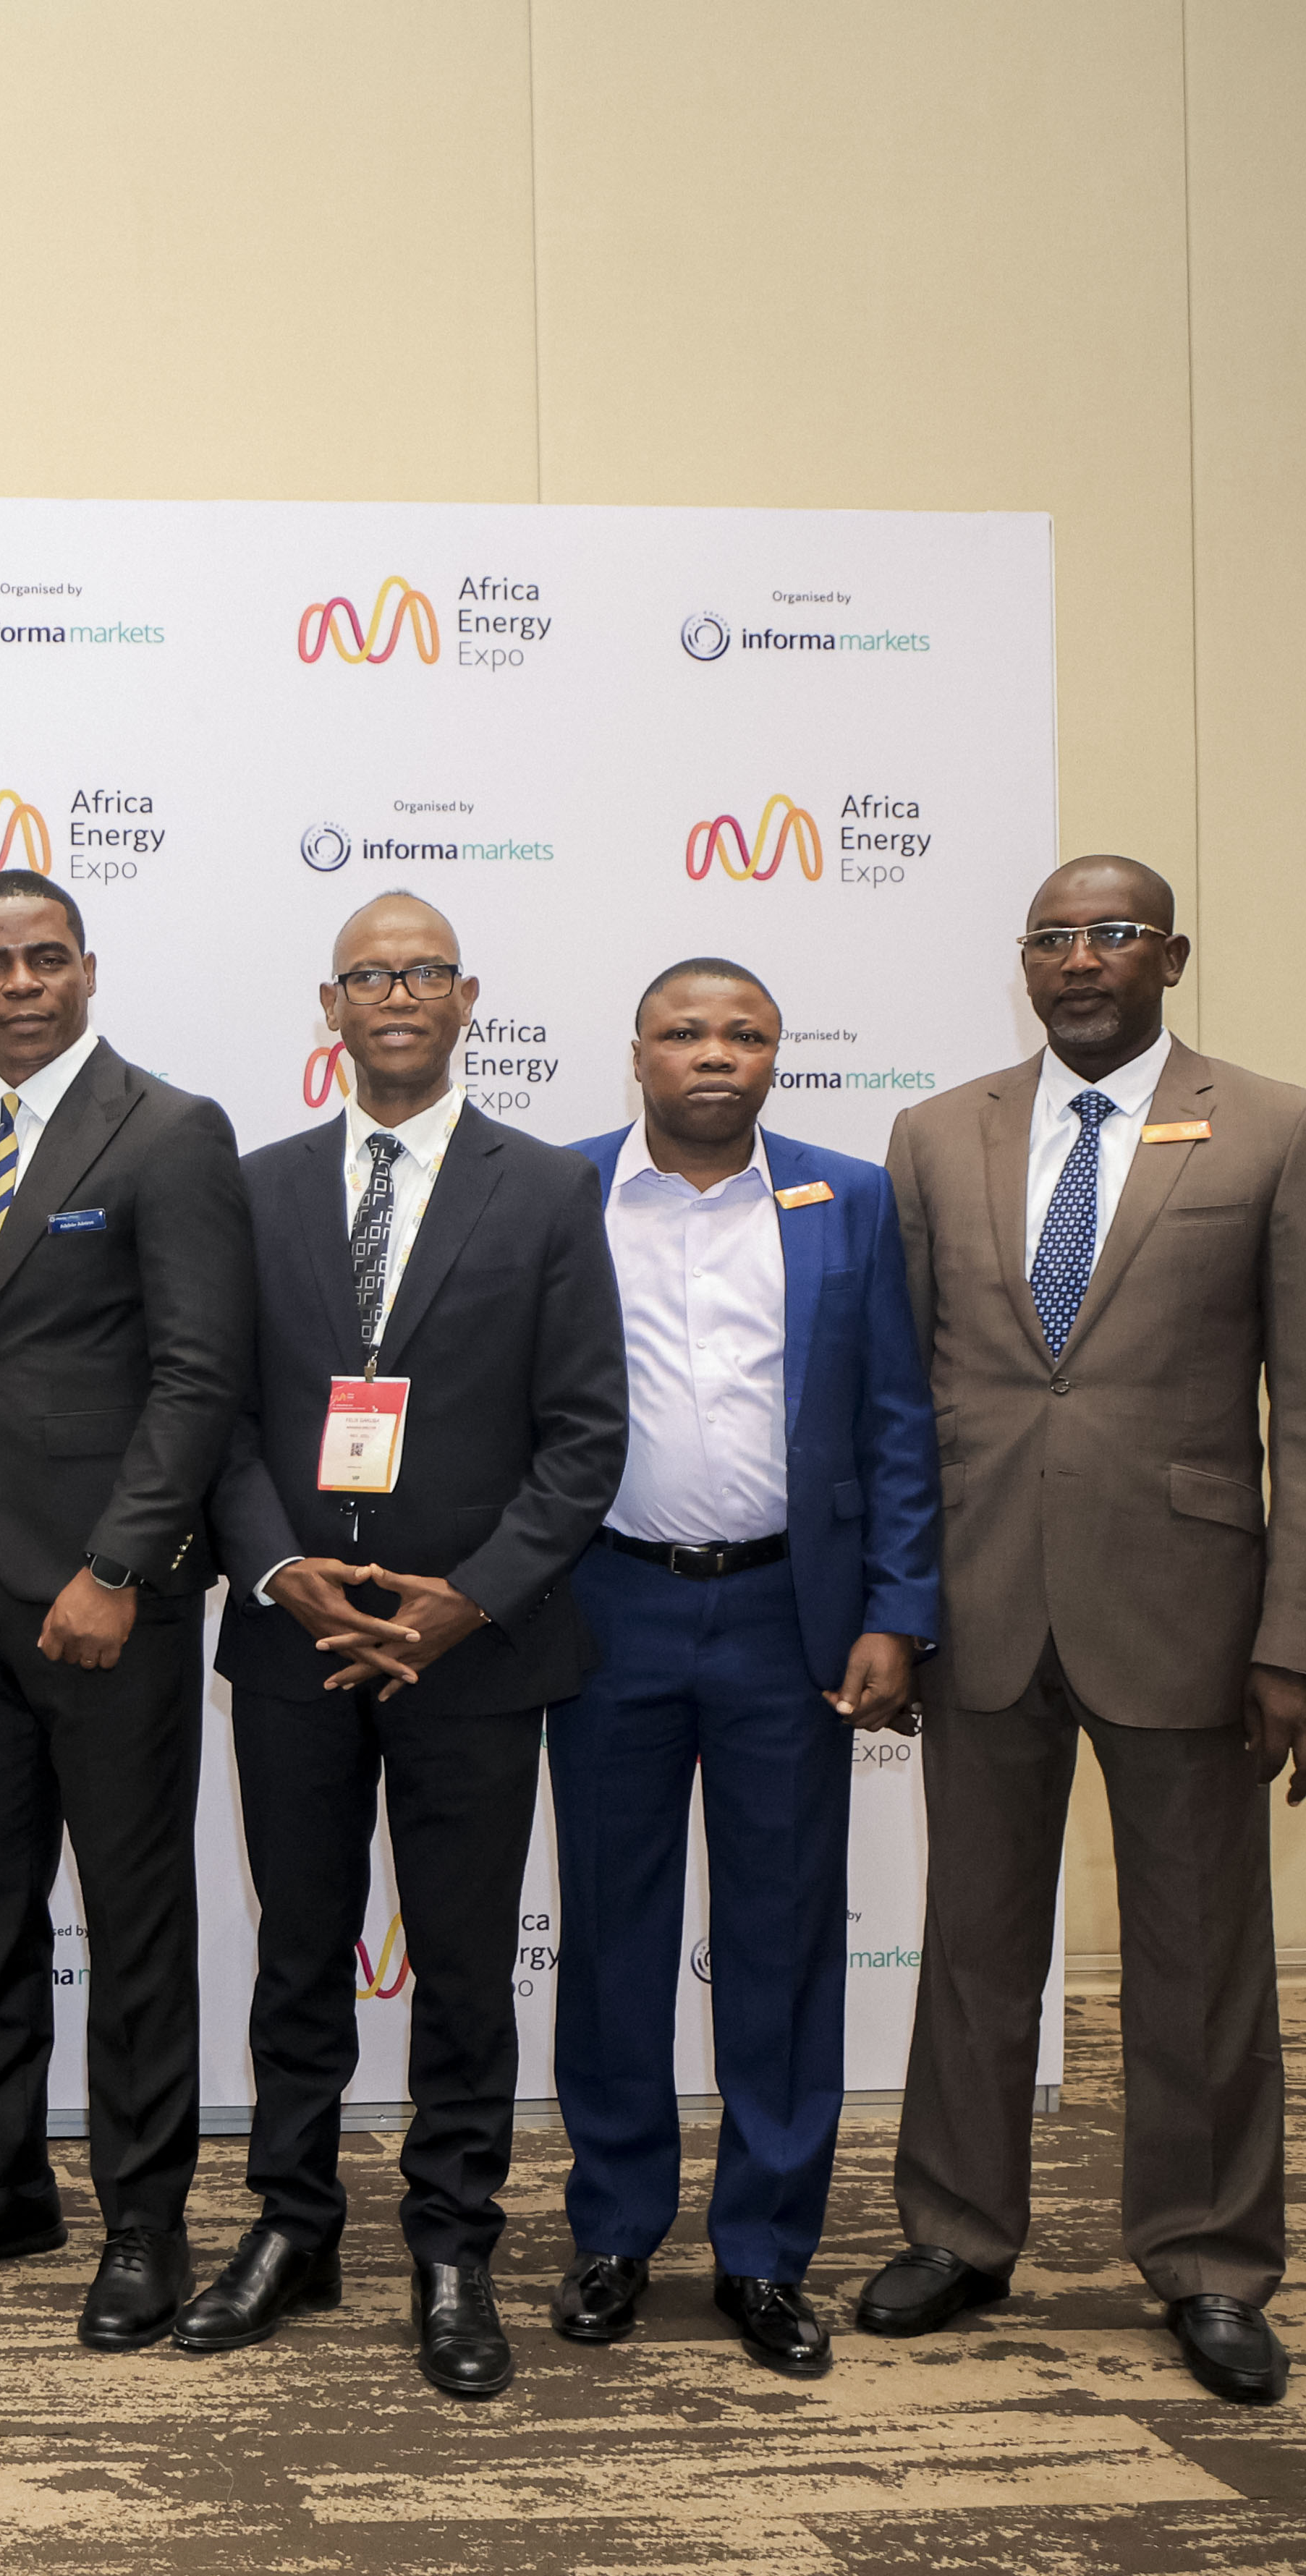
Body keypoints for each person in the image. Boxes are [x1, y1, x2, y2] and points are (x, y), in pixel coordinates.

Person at [857, 856, 1306, 2407]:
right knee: (972, 1942)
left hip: (1190, 1615)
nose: (1082, 960)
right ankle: (958, 2229)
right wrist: (896, 1603)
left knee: (1200, 1952)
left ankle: (1210, 2259)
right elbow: (901, 1400)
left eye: (1115, 934)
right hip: (982, 1605)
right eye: (1054, 938)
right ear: (1024, 962)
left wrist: (1303, 1640)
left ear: (1172, 955)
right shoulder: (936, 1135)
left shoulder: (1279, 1126)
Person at [194, 893, 624, 2399]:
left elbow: (585, 1437)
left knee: (462, 1961)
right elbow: (216, 1414)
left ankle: (452, 2245)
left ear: (466, 997)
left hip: (475, 1652)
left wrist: (467, 1598)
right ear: (331, 1004)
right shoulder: (256, 1187)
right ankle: (293, 2226)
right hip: (294, 1643)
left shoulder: (548, 1189)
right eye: (369, 974)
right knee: (299, 1951)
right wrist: (278, 1570)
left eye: (423, 970)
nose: (396, 994)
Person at [546, 961, 938, 2378]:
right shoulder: (564, 1191)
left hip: (792, 1617)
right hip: (609, 1607)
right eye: (685, 1032)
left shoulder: (850, 1197)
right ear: (637, 1051)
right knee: (613, 1934)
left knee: (782, 1941)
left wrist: (897, 1608)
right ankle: (614, 2229)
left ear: (776, 1054)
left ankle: (766, 2249)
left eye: (745, 1033)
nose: (715, 1053)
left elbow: (898, 1417)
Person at [0, 870, 255, 2349]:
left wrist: (119, 1566)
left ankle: (144, 2222)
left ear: (88, 971)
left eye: (46, 957)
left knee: (134, 1921)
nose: (22, 983)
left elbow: (198, 1372)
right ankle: (4, 2181)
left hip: (109, 1607)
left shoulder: (170, 1130)